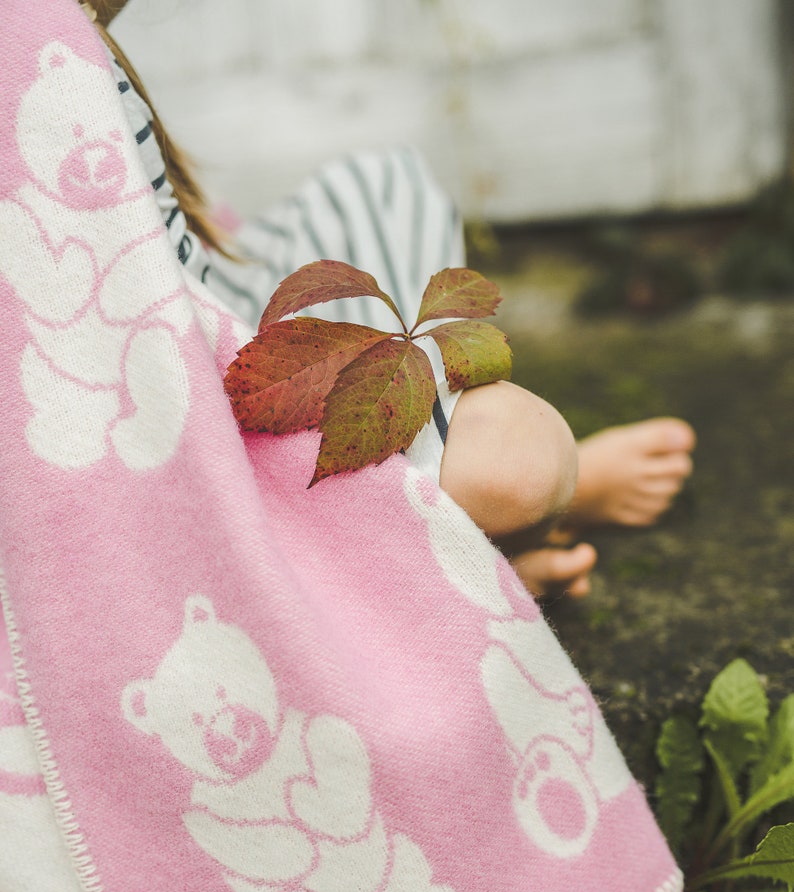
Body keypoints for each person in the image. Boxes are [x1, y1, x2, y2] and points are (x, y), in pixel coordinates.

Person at [85, 0, 695, 600]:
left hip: (199, 295)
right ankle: (473, 542)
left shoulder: (72, 43)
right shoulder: (54, 67)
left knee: (376, 189)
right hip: (197, 395)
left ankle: (468, 536)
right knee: (517, 464)